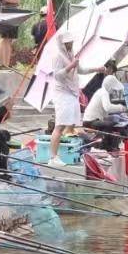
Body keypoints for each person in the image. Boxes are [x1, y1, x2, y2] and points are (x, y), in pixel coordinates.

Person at [44, 31, 85, 165]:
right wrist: (70, 66)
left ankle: (62, 153)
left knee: (71, 123)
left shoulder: (71, 54)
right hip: (62, 93)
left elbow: (82, 70)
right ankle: (53, 156)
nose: (70, 44)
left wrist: (98, 69)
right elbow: (57, 75)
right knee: (60, 125)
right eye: (67, 42)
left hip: (72, 93)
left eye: (71, 42)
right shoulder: (58, 56)